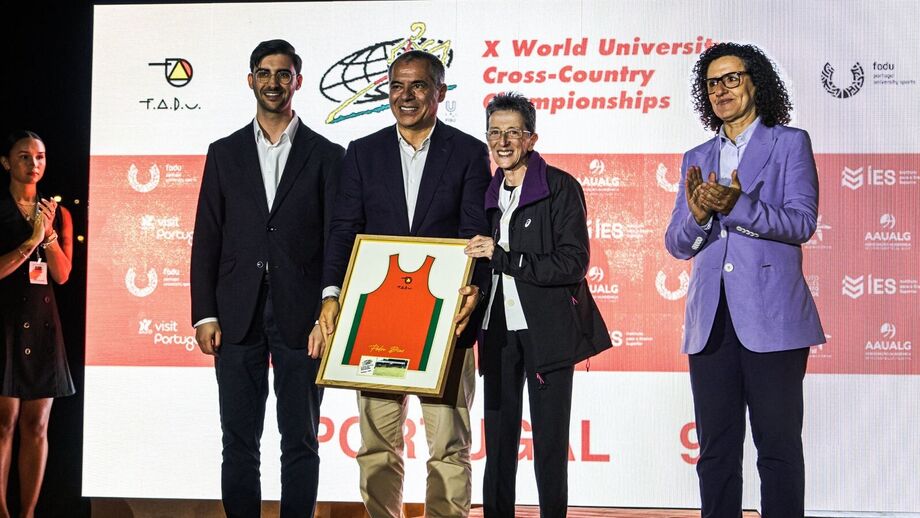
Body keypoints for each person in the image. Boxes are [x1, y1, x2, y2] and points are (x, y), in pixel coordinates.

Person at [318, 49, 491, 518]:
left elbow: (473, 234)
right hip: (378, 320)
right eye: (397, 86)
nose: (406, 96)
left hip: (445, 321)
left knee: (450, 448)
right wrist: (331, 294)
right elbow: (344, 231)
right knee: (376, 445)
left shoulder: (470, 151)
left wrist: (472, 290)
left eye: (418, 86)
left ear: (439, 92)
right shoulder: (362, 152)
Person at [665, 42, 825, 517]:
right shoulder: (696, 155)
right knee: (715, 454)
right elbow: (677, 242)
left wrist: (738, 206)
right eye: (713, 82)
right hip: (710, 323)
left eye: (732, 78)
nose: (722, 90)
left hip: (773, 322)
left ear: (756, 82)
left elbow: (801, 223)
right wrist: (696, 217)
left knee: (777, 452)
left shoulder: (789, 143)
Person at [190, 39, 343, 517]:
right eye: (265, 73)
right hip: (235, 316)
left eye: (283, 73)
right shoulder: (224, 153)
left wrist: (328, 306)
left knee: (300, 439)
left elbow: (336, 240)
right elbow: (207, 238)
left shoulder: (327, 155)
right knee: (238, 441)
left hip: (303, 320)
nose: (274, 82)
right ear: (250, 79)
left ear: (297, 80)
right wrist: (204, 314)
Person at [463, 93, 612, 518]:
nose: (503, 142)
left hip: (547, 333)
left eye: (513, 132)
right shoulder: (487, 192)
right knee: (499, 446)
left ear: (531, 138)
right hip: (497, 331)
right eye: (495, 132)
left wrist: (504, 256)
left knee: (548, 445)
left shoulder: (561, 186)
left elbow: (573, 262)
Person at [0, 130, 75, 518]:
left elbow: (61, 275)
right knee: (5, 423)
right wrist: (29, 242)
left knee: (37, 425)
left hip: (43, 323)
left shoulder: (57, 213)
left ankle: (27, 513)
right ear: (7, 162)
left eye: (41, 157)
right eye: (25, 156)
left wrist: (46, 236)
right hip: (6, 322)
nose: (34, 164)